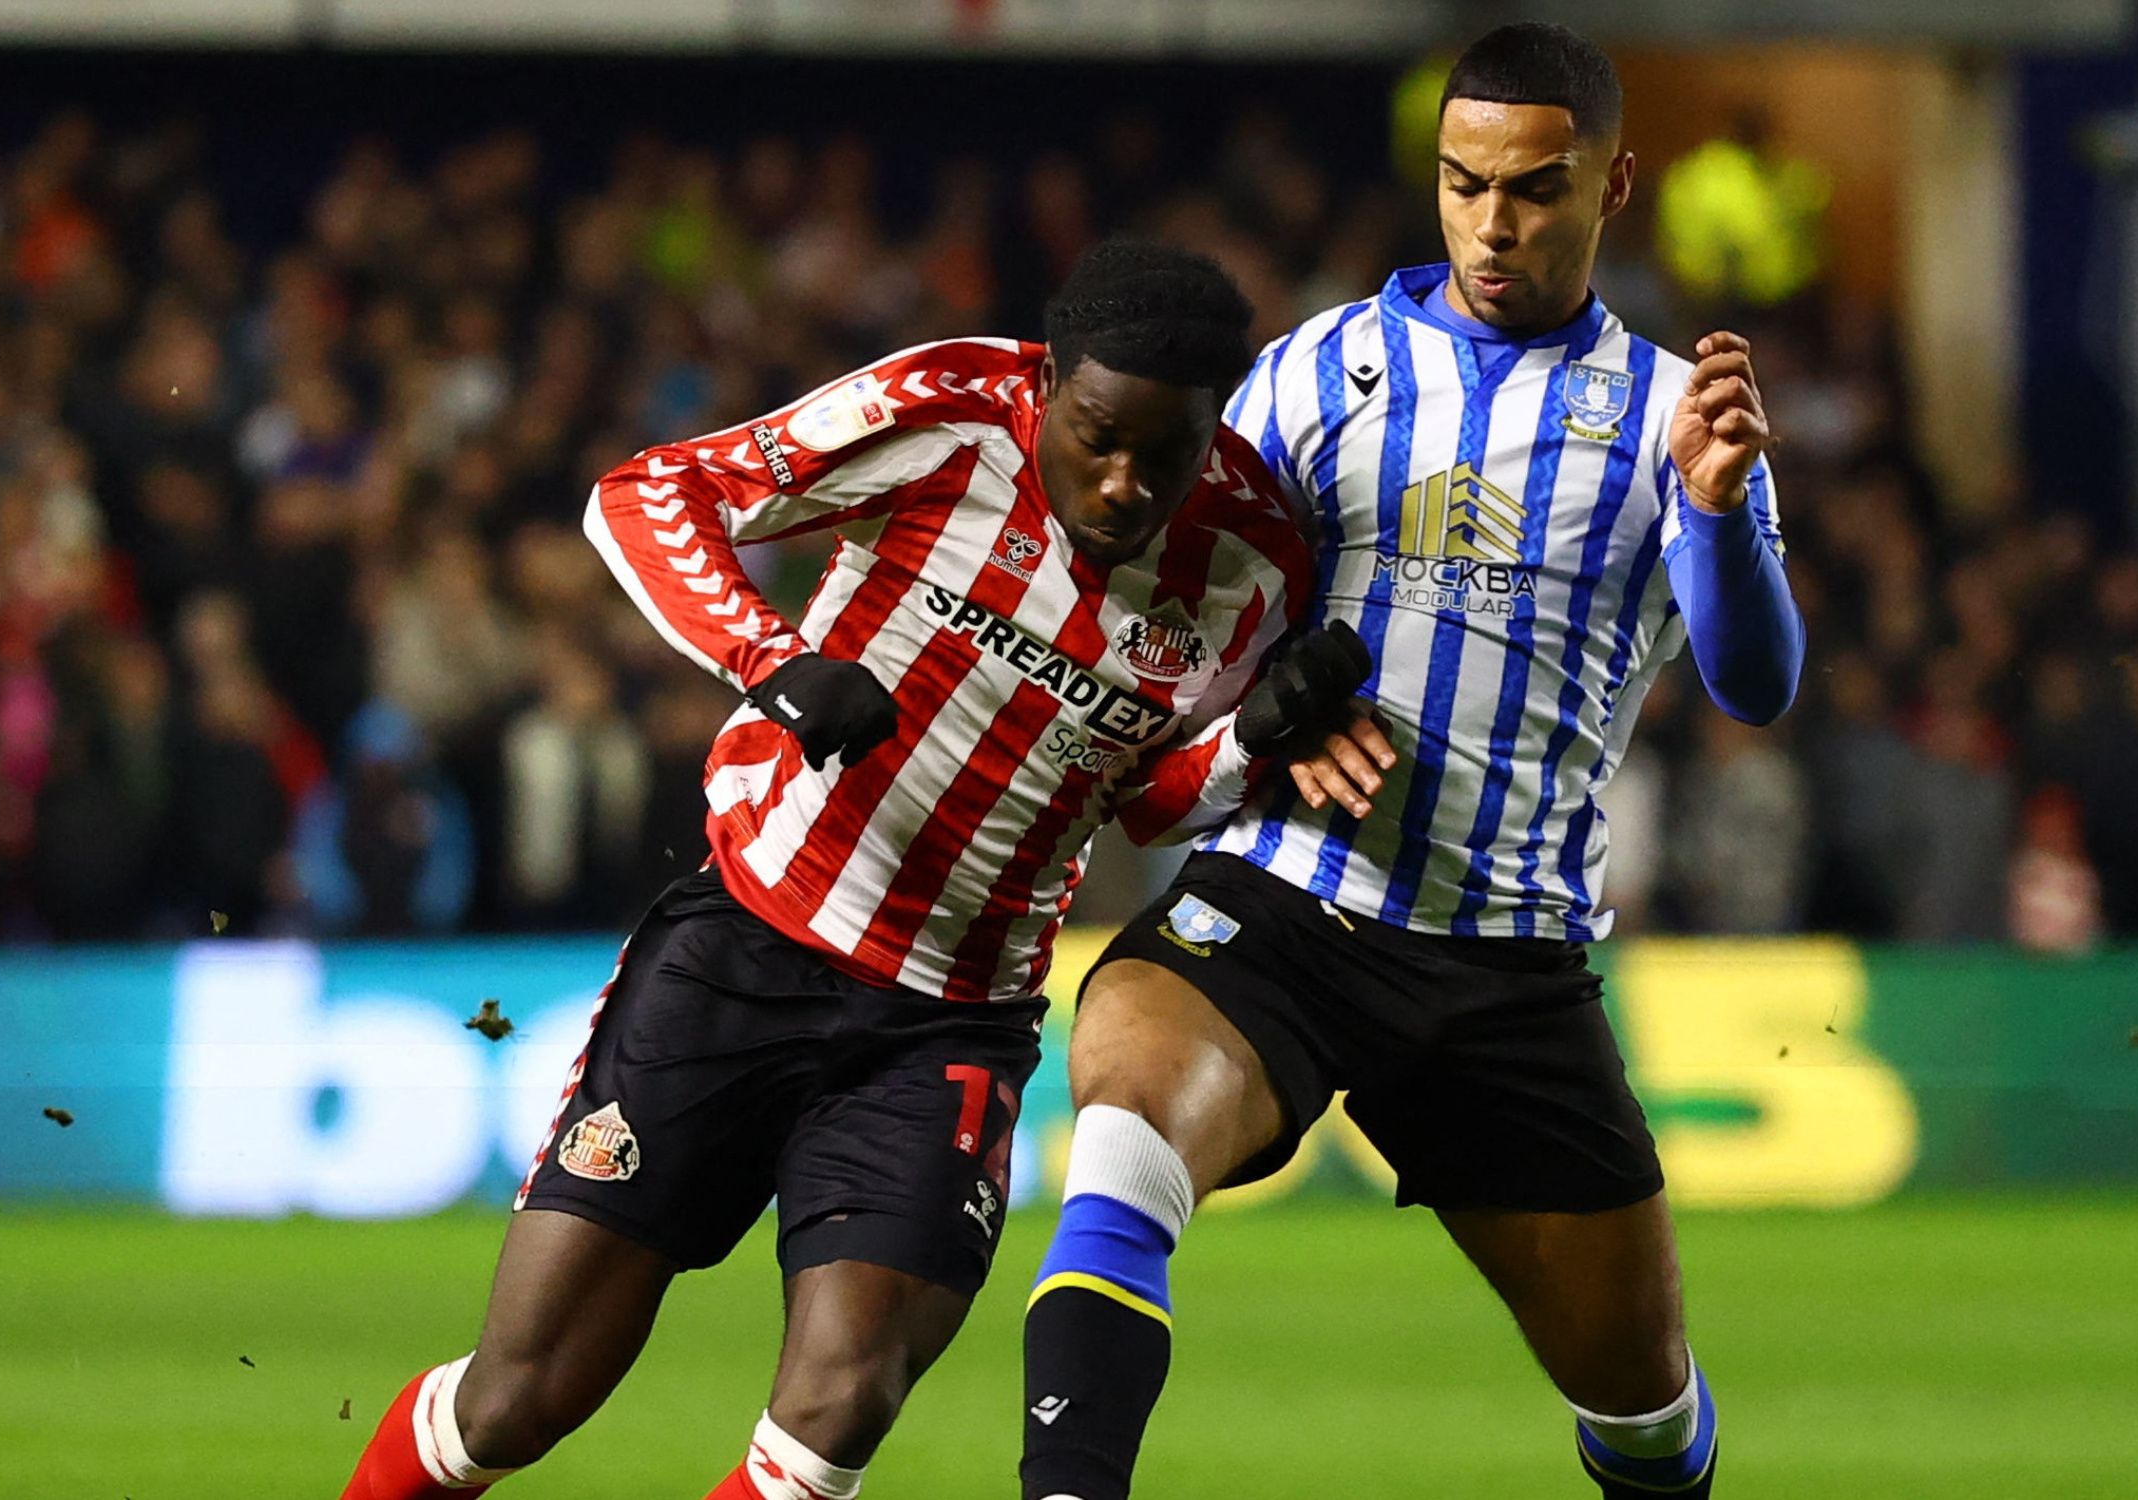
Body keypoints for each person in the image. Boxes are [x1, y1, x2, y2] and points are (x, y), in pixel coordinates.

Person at [338, 241, 1377, 1500]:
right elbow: (652, 492)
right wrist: (772, 660)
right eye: (1097, 435)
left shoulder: (1255, 560)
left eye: (1164, 456)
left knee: (837, 1411)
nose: (1121, 483)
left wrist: (1247, 749)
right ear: (1050, 381)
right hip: (748, 944)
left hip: (948, 1022)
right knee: (519, 1399)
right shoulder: (944, 410)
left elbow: (1139, 800)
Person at [1017, 25, 1803, 1500]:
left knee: (1642, 1409)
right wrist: (1264, 707)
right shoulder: (1315, 372)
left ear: (1612, 185)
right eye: (1462, 185)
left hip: (1505, 966)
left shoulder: (1666, 415)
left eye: (1533, 190)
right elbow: (1174, 611)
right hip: (1283, 909)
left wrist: (1710, 510)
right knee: (1124, 1125)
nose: (1492, 226)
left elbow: (1758, 683)